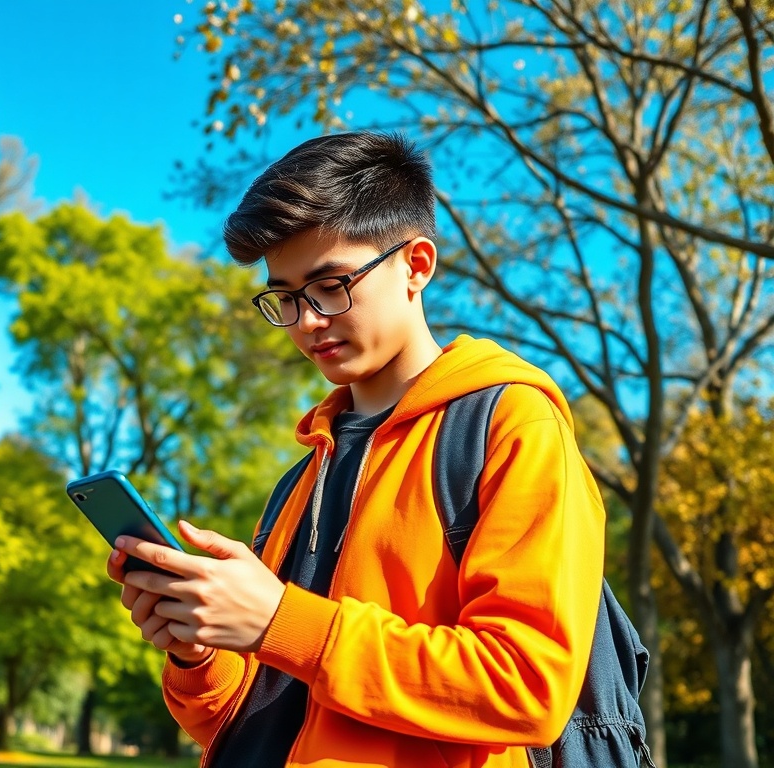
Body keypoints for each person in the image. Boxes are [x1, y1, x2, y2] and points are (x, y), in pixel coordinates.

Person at [107, 131, 606, 768]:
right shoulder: (302, 474)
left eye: (329, 285)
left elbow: (528, 687)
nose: (306, 321)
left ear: (417, 265)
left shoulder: (510, 426)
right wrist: (196, 648)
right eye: (283, 297)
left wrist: (281, 621)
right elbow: (245, 718)